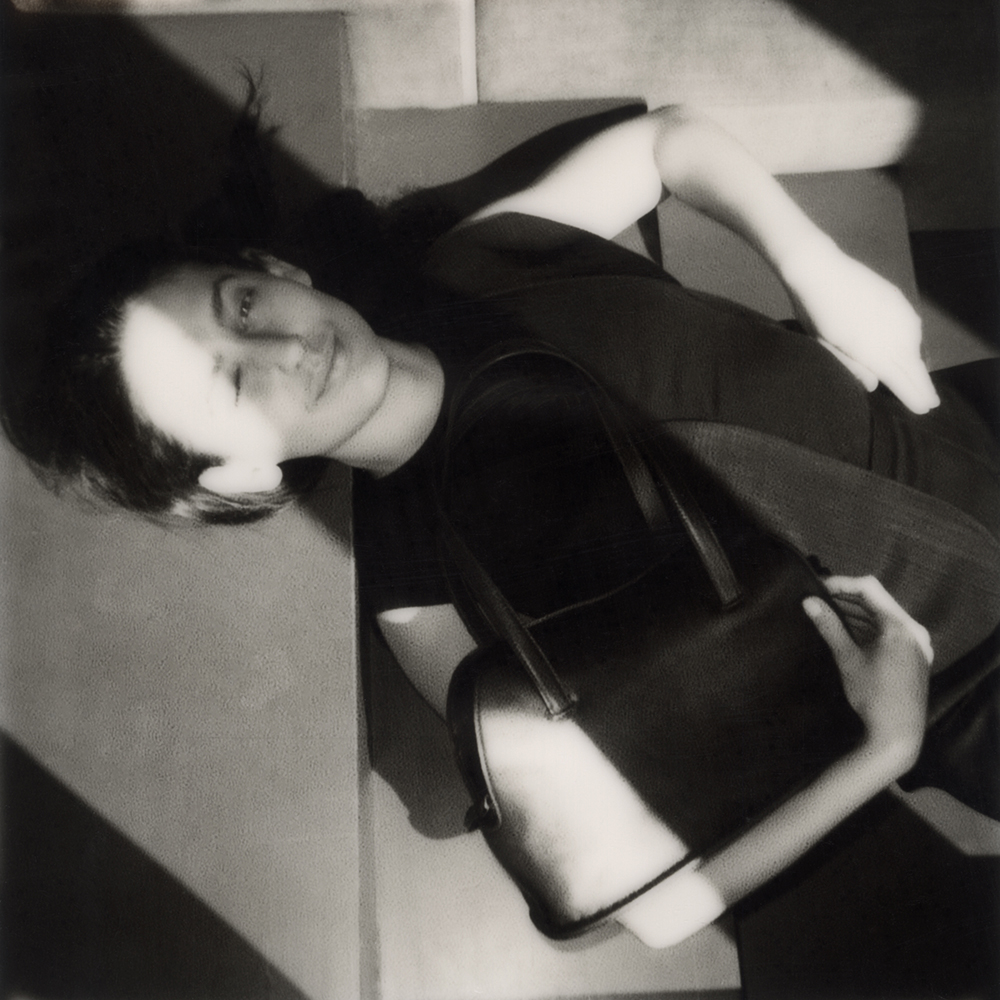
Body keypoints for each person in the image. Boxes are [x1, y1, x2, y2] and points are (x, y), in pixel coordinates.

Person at [4, 104, 997, 945]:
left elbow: (667, 141)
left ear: (278, 270)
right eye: (229, 385)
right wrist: (885, 748)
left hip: (953, 417)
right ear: (238, 477)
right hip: (972, 673)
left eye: (243, 306)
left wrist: (813, 264)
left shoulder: (476, 264)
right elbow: (629, 906)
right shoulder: (422, 602)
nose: (283, 352)